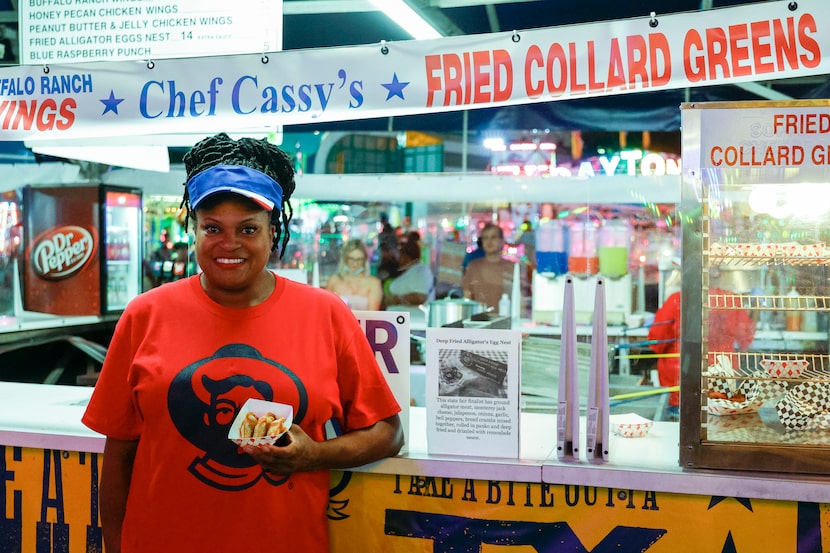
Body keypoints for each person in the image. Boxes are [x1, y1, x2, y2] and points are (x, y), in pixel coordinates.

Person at [81, 133, 403, 553]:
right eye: (212, 227)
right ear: (194, 231)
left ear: (274, 233)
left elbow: (388, 432)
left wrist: (314, 455)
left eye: (248, 228)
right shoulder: (146, 314)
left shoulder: (325, 314)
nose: (228, 244)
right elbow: (119, 454)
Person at [461, 222, 518, 310]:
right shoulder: (474, 266)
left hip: (505, 319)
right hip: (479, 320)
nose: (489, 241)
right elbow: (467, 296)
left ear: (502, 241)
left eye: (493, 237)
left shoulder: (512, 268)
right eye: (486, 238)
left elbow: (520, 300)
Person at [325, 238, 383, 310]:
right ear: (345, 259)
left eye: (359, 259)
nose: (355, 264)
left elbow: (373, 315)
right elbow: (327, 310)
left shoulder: (373, 283)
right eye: (351, 259)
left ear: (364, 260)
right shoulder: (334, 281)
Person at [384, 231, 434, 307]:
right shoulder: (410, 271)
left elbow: (420, 297)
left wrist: (396, 299)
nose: (399, 260)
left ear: (406, 257)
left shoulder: (421, 271)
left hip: (414, 317)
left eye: (401, 256)